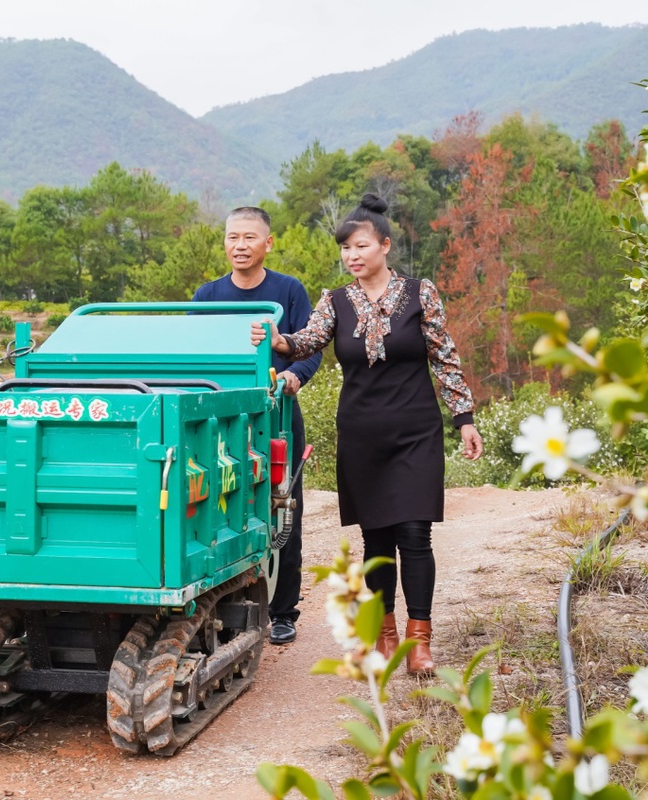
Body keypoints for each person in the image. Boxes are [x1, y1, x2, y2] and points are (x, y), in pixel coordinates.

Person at [251, 194, 483, 674]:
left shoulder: (421, 294)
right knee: (376, 541)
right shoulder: (335, 301)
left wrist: (464, 419)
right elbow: (307, 340)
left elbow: (445, 358)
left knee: (415, 536)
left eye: (359, 246)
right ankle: (386, 633)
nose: (351, 256)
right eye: (345, 249)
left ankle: (420, 642)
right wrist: (278, 341)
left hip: (416, 431)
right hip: (360, 435)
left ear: (384, 245)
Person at [193, 207, 321, 646]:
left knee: (283, 509)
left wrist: (293, 376)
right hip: (219, 420)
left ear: (268, 243)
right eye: (232, 237)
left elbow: (311, 348)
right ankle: (223, 606)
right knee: (219, 508)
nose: (239, 246)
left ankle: (283, 611)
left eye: (249, 238)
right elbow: (192, 358)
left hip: (276, 416)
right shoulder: (206, 296)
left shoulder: (287, 290)